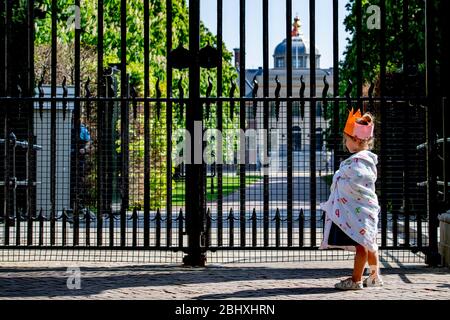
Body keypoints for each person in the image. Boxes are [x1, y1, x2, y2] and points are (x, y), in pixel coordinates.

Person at [319, 108, 383, 290]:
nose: (345, 143)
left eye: (346, 140)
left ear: (355, 139)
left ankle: (355, 280)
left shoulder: (355, 162)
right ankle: (373, 275)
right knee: (371, 244)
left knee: (362, 246)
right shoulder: (369, 161)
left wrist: (339, 176)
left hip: (359, 211)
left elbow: (354, 183)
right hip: (368, 208)